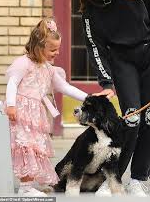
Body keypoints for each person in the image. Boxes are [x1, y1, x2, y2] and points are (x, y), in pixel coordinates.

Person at [75, 0, 150, 197]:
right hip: (121, 60)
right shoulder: (90, 11)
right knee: (131, 118)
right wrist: (106, 82)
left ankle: (139, 179)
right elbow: (94, 47)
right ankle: (113, 179)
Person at [5, 18, 88, 196]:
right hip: (21, 112)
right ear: (38, 47)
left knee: (35, 148)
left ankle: (29, 185)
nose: (57, 53)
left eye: (58, 49)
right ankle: (25, 188)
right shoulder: (24, 63)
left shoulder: (48, 69)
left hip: (36, 114)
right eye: (52, 49)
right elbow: (12, 83)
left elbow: (65, 88)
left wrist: (89, 98)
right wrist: (11, 105)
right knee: (25, 147)